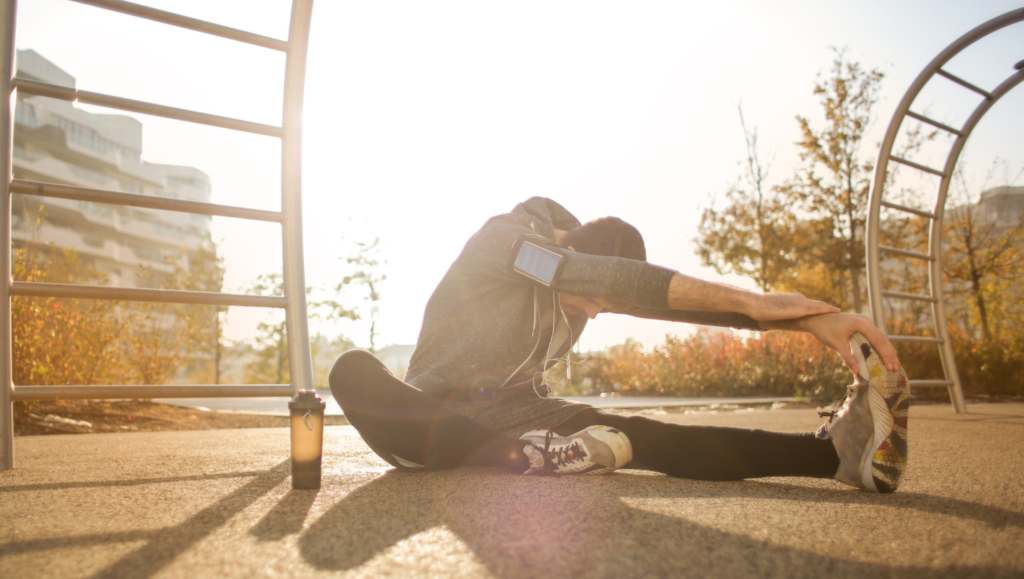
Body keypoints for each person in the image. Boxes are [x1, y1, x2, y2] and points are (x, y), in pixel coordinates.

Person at [329, 197, 909, 492]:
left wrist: (806, 321)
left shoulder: (585, 277)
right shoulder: (507, 243)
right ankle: (527, 456)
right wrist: (757, 302)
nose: (597, 312)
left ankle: (833, 456)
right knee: (352, 370)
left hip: (523, 417)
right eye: (595, 298)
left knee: (644, 433)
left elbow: (657, 298)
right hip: (427, 422)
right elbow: (592, 279)